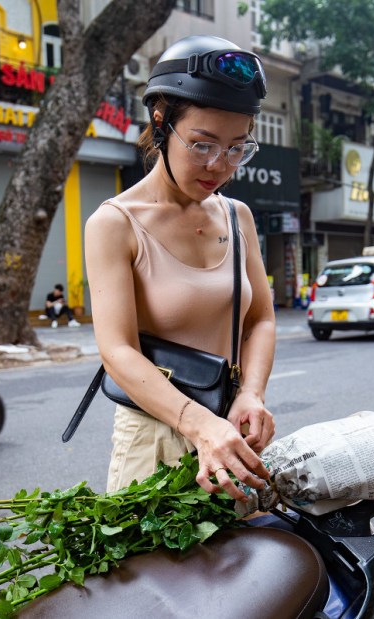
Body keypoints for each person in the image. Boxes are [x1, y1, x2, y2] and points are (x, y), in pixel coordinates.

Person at [84, 35, 276, 501]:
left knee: (244, 569)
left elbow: (261, 319)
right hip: (155, 438)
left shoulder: (237, 216)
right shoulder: (114, 223)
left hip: (230, 432)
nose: (219, 165)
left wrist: (251, 394)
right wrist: (199, 425)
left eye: (236, 148)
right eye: (202, 144)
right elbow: (118, 351)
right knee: (154, 572)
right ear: (161, 120)